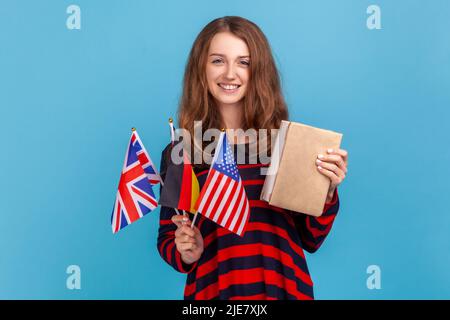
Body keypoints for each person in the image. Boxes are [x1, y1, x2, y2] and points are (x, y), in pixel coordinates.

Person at [157, 16, 348, 300]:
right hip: (214, 294)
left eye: (243, 62)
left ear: (258, 70)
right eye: (218, 60)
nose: (230, 73)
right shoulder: (181, 151)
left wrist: (327, 191)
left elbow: (311, 238)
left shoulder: (287, 144)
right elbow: (167, 239)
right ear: (201, 68)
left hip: (284, 290)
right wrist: (186, 251)